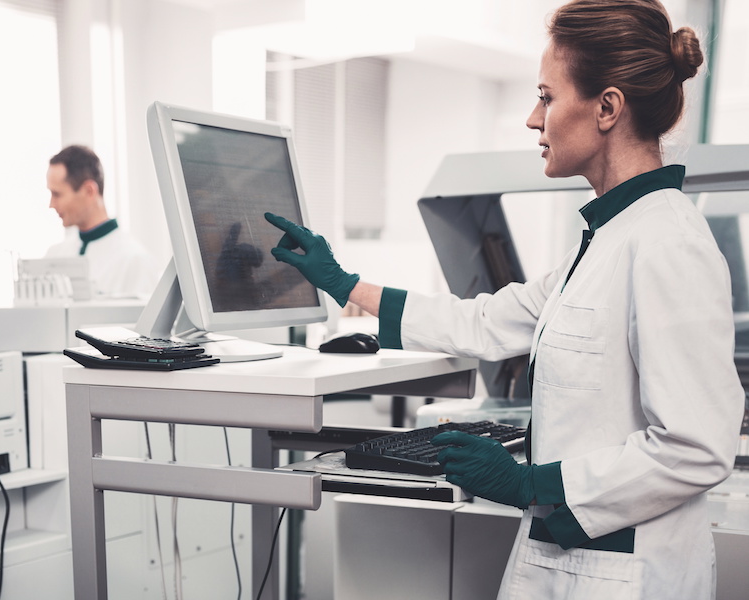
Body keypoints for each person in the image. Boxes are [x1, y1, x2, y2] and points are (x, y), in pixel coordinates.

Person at [265, 0, 744, 597]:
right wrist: (344, 284)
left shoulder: (668, 243)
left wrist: (534, 485)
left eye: (546, 96)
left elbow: (696, 446)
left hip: (627, 574)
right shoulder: (605, 240)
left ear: (607, 107)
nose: (531, 118)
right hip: (579, 562)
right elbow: (486, 320)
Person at [45, 144, 161, 298]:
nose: (51, 205)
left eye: (57, 194)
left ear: (89, 191)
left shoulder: (135, 261)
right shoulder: (53, 256)